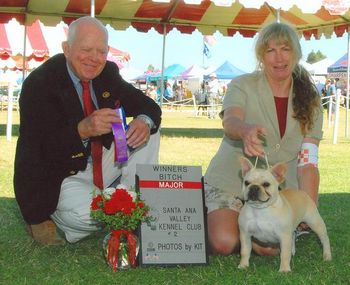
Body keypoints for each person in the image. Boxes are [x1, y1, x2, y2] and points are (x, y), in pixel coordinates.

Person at [14, 16, 162, 245]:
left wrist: (142, 120)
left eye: (102, 52)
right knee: (90, 218)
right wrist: (81, 131)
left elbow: (148, 106)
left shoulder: (108, 74)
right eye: (86, 50)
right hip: (60, 173)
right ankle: (55, 213)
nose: (95, 59)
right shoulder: (39, 84)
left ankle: (132, 201)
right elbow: (38, 151)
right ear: (67, 48)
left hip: (101, 162)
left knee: (149, 130)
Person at [204, 22, 323, 257]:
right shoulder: (242, 85)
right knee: (224, 242)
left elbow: (308, 161)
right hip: (230, 181)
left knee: (269, 249)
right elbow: (230, 122)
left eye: (285, 49)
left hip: (274, 192)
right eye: (270, 51)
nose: (279, 58)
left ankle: (249, 225)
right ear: (261, 56)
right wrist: (245, 130)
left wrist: (308, 207)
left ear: (296, 53)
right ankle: (222, 215)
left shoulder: (311, 98)